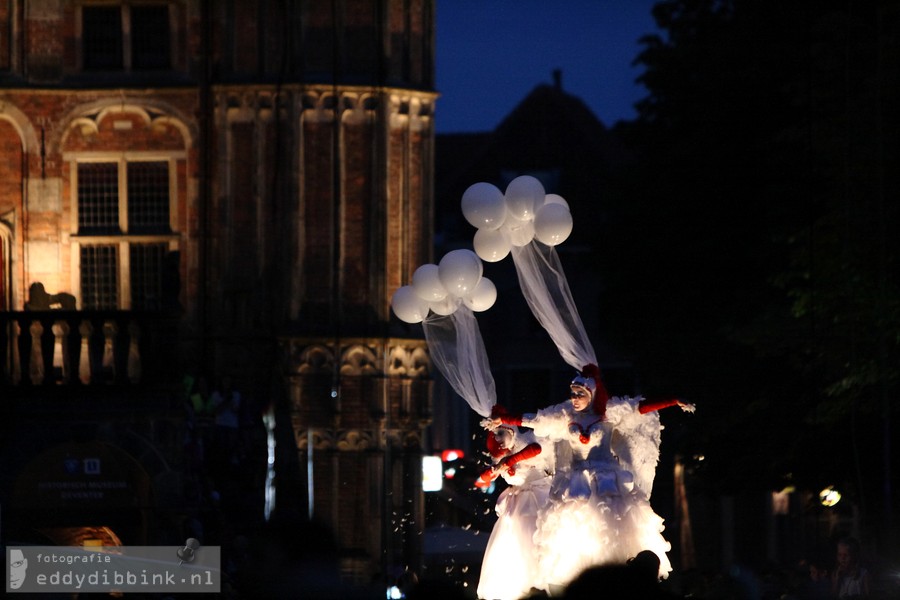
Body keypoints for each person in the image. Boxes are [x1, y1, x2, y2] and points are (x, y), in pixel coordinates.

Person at [486, 364, 695, 592]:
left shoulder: (609, 413)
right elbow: (534, 419)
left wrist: (674, 400)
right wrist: (505, 419)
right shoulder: (565, 417)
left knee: (613, 531)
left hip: (606, 482)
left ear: (592, 394)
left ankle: (616, 579)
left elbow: (639, 408)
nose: (574, 399)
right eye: (573, 394)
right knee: (574, 535)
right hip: (576, 484)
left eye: (580, 394)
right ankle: (583, 584)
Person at [476, 406, 554, 600]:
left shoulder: (527, 443)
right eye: (495, 435)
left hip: (537, 501)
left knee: (536, 541)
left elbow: (536, 450)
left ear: (511, 430)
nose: (499, 438)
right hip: (517, 506)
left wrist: (508, 462)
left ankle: (541, 584)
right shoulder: (500, 457)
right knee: (514, 547)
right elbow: (481, 480)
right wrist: (493, 471)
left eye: (501, 432)